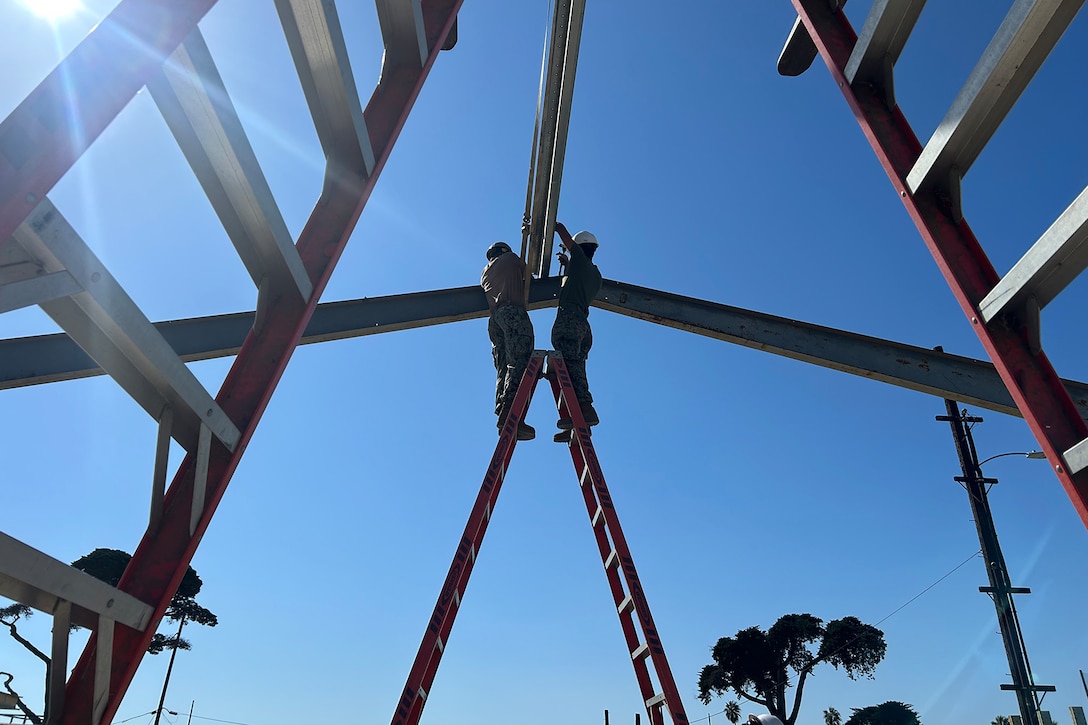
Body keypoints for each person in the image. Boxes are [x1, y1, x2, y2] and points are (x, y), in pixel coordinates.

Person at [551, 222, 602, 442]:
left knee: (570, 368)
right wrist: (568, 264)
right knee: (575, 368)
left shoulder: (579, 261)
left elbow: (563, 234)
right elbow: (577, 277)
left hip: (569, 320)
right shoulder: (595, 274)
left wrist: (552, 225)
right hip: (582, 323)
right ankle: (579, 425)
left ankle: (586, 410)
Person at [481, 241, 536, 441]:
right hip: (513, 313)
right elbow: (530, 273)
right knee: (520, 361)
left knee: (503, 367)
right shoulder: (511, 259)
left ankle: (502, 412)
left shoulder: (485, 272)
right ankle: (511, 415)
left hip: (495, 320)